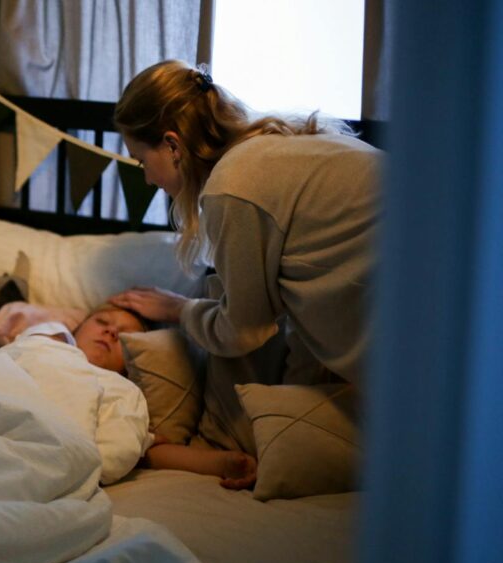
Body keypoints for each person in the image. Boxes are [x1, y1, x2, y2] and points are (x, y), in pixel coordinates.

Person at [106, 59, 380, 391]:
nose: (147, 179)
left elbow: (244, 331)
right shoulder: (277, 144)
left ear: (173, 146)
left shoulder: (232, 186)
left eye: (142, 162)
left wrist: (179, 309)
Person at [23, 304, 257, 489]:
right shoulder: (44, 344)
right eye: (102, 321)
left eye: (125, 335)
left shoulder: (120, 396)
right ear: (76, 329)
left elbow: (141, 450)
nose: (111, 331)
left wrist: (226, 463)